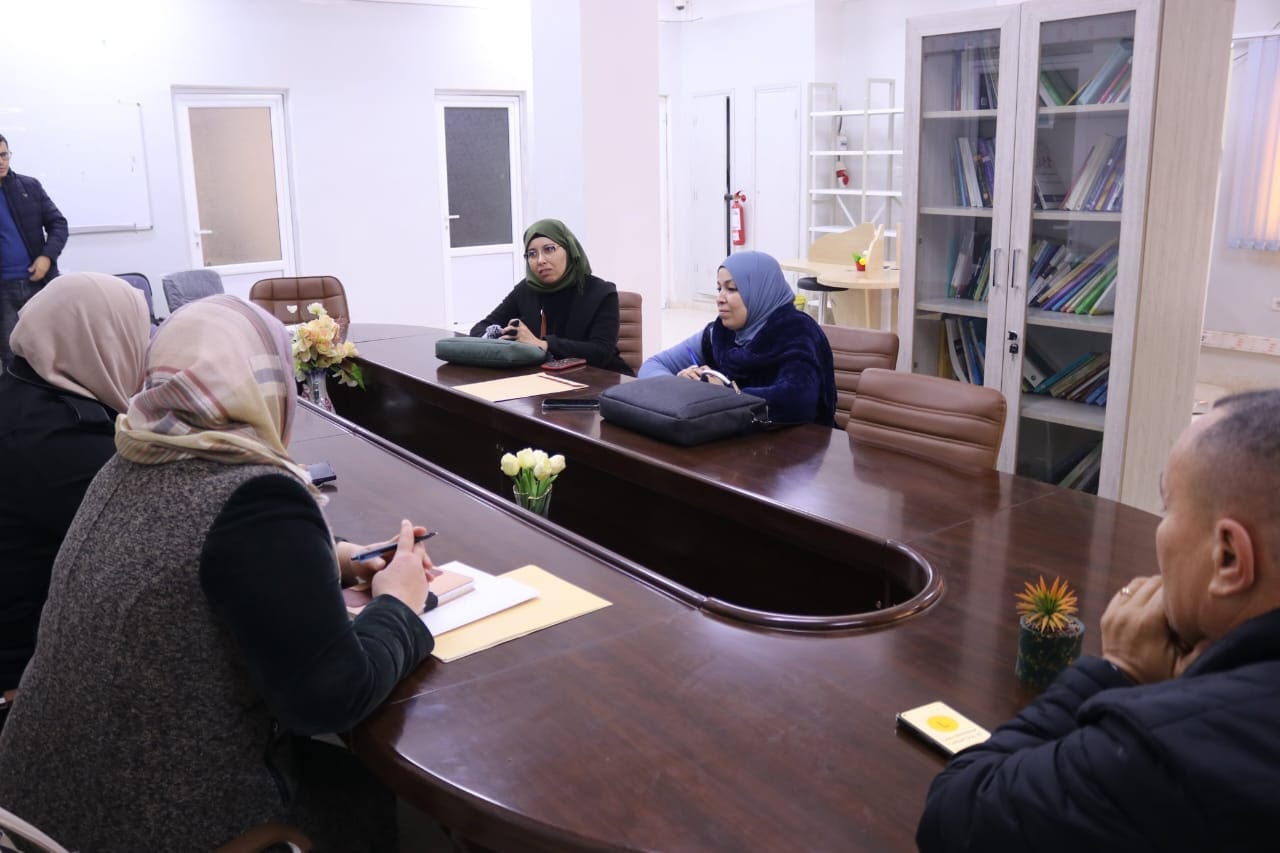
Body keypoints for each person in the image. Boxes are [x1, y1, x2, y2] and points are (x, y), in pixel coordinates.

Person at [0, 295, 435, 851]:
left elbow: (190, 556)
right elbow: (330, 698)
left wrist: (336, 558)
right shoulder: (256, 493)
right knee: (364, 790)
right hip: (154, 826)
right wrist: (399, 603)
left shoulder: (132, 454)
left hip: (41, 807)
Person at [916, 389, 1280, 853]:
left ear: (1228, 558)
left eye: (1167, 508)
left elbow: (955, 817)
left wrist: (1118, 669)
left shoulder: (1168, 749)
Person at [0, 272, 151, 698]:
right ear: (101, 340)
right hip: (33, 677)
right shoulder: (62, 440)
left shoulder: (24, 389)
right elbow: (156, 539)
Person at [638, 250, 836, 426]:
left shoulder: (796, 332)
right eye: (719, 289)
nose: (720, 298)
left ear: (760, 292)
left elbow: (798, 402)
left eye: (731, 289)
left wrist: (726, 395)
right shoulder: (720, 334)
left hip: (799, 447)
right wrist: (678, 385)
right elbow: (650, 366)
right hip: (736, 442)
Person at [469, 218, 634, 374]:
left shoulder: (601, 292)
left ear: (569, 249)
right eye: (532, 254)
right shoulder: (526, 290)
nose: (540, 260)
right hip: (544, 379)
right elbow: (479, 329)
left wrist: (543, 344)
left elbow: (601, 352)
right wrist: (503, 335)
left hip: (601, 381)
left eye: (549, 249)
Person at [0, 133, 69, 370]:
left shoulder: (29, 187)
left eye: (4, 155)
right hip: (3, 292)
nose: (1, 162)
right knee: (11, 360)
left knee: (51, 353)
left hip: (38, 284)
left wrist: (47, 257)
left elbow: (58, 224)